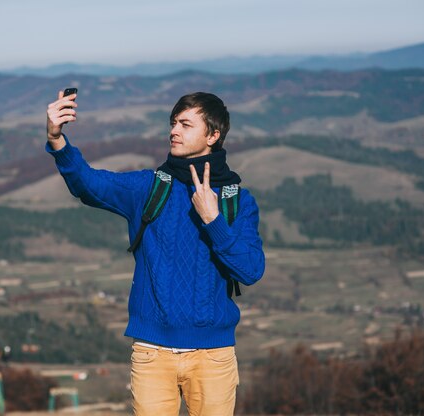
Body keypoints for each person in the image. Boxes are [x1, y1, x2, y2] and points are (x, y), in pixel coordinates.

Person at [46, 90, 265, 416]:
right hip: (152, 353)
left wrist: (213, 220)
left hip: (213, 355)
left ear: (213, 135)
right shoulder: (150, 187)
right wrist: (56, 138)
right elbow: (88, 184)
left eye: (186, 124)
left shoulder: (237, 201)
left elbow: (251, 270)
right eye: (173, 123)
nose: (174, 131)